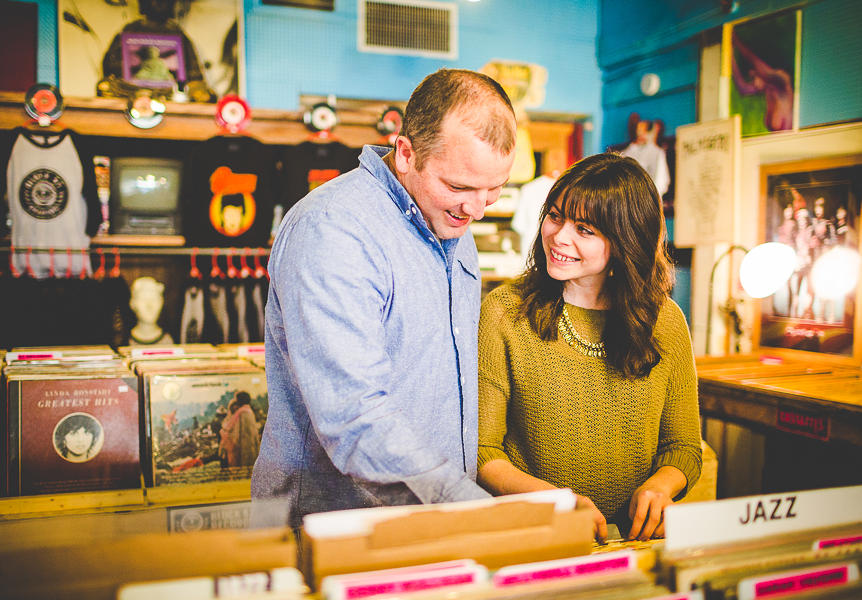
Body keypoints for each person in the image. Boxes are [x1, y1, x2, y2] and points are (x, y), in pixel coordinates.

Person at [251, 68, 517, 528]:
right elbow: (355, 415)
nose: (475, 209)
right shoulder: (333, 229)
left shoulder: (454, 221)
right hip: (331, 530)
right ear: (406, 153)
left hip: (431, 521)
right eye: (459, 187)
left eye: (494, 190)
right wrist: (467, 506)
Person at [477, 152, 702, 543]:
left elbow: (682, 448)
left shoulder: (666, 321)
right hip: (533, 538)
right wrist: (557, 502)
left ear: (627, 241)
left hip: (632, 543)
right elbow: (483, 452)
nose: (559, 236)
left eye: (585, 229)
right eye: (556, 215)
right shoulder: (504, 311)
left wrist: (661, 487)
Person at [731, 28, 794, 132]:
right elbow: (743, 89)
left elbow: (750, 57)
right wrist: (729, 54)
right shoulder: (769, 88)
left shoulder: (782, 82)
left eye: (753, 75)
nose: (753, 80)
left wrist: (733, 35)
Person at [220, 392, 261, 469]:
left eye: (236, 399)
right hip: (249, 445)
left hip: (243, 447)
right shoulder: (248, 411)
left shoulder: (242, 413)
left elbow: (235, 434)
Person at [129, 276, 174, 345]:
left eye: (154, 299)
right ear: (132, 304)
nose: (149, 305)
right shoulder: (124, 340)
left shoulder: (167, 341)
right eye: (143, 299)